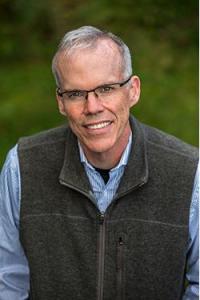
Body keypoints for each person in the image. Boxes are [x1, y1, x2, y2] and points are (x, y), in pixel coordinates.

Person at [0, 26, 198, 300]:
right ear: (60, 102)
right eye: (76, 94)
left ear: (133, 90)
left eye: (106, 88)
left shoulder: (188, 172)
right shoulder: (21, 167)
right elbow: (7, 282)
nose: (92, 107)